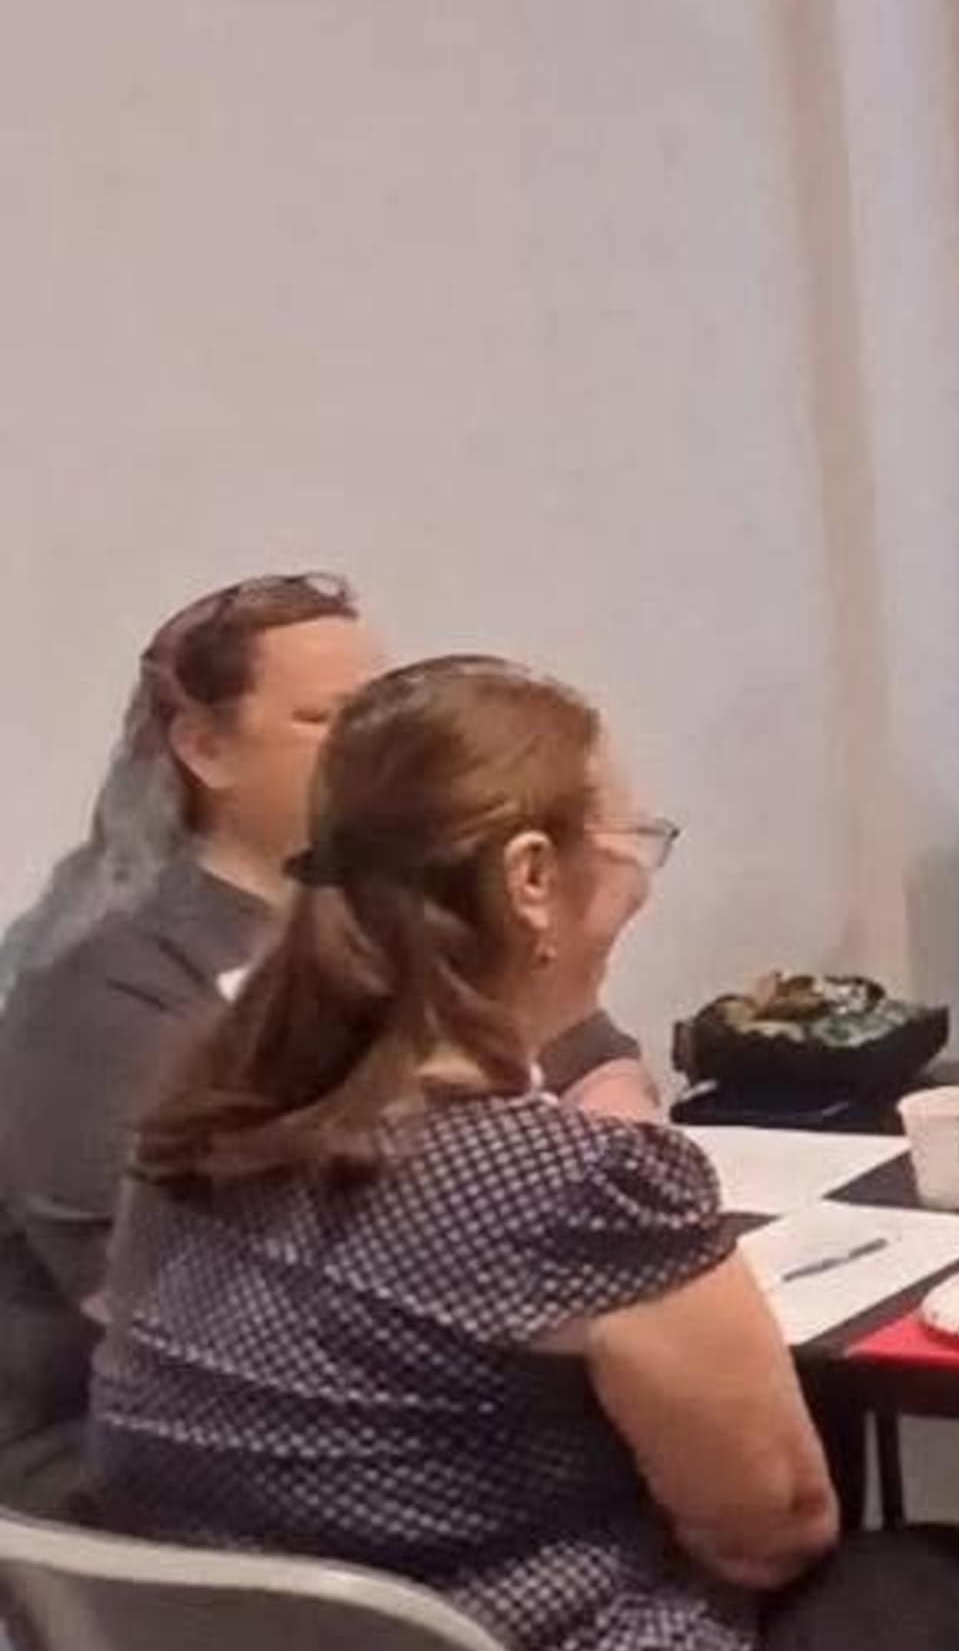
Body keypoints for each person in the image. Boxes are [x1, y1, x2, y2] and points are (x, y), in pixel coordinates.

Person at [87, 657, 959, 1651]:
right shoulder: (559, 1168)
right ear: (528, 878)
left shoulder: (190, 1133)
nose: (634, 883)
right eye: (627, 842)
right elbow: (775, 1533)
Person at [0, 576, 657, 1517]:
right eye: (331, 719)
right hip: (156, 1468)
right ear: (203, 747)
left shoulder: (375, 913)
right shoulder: (102, 976)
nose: (373, 750)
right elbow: (164, 1307)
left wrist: (617, 1162)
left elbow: (584, 1048)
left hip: (395, 1377)